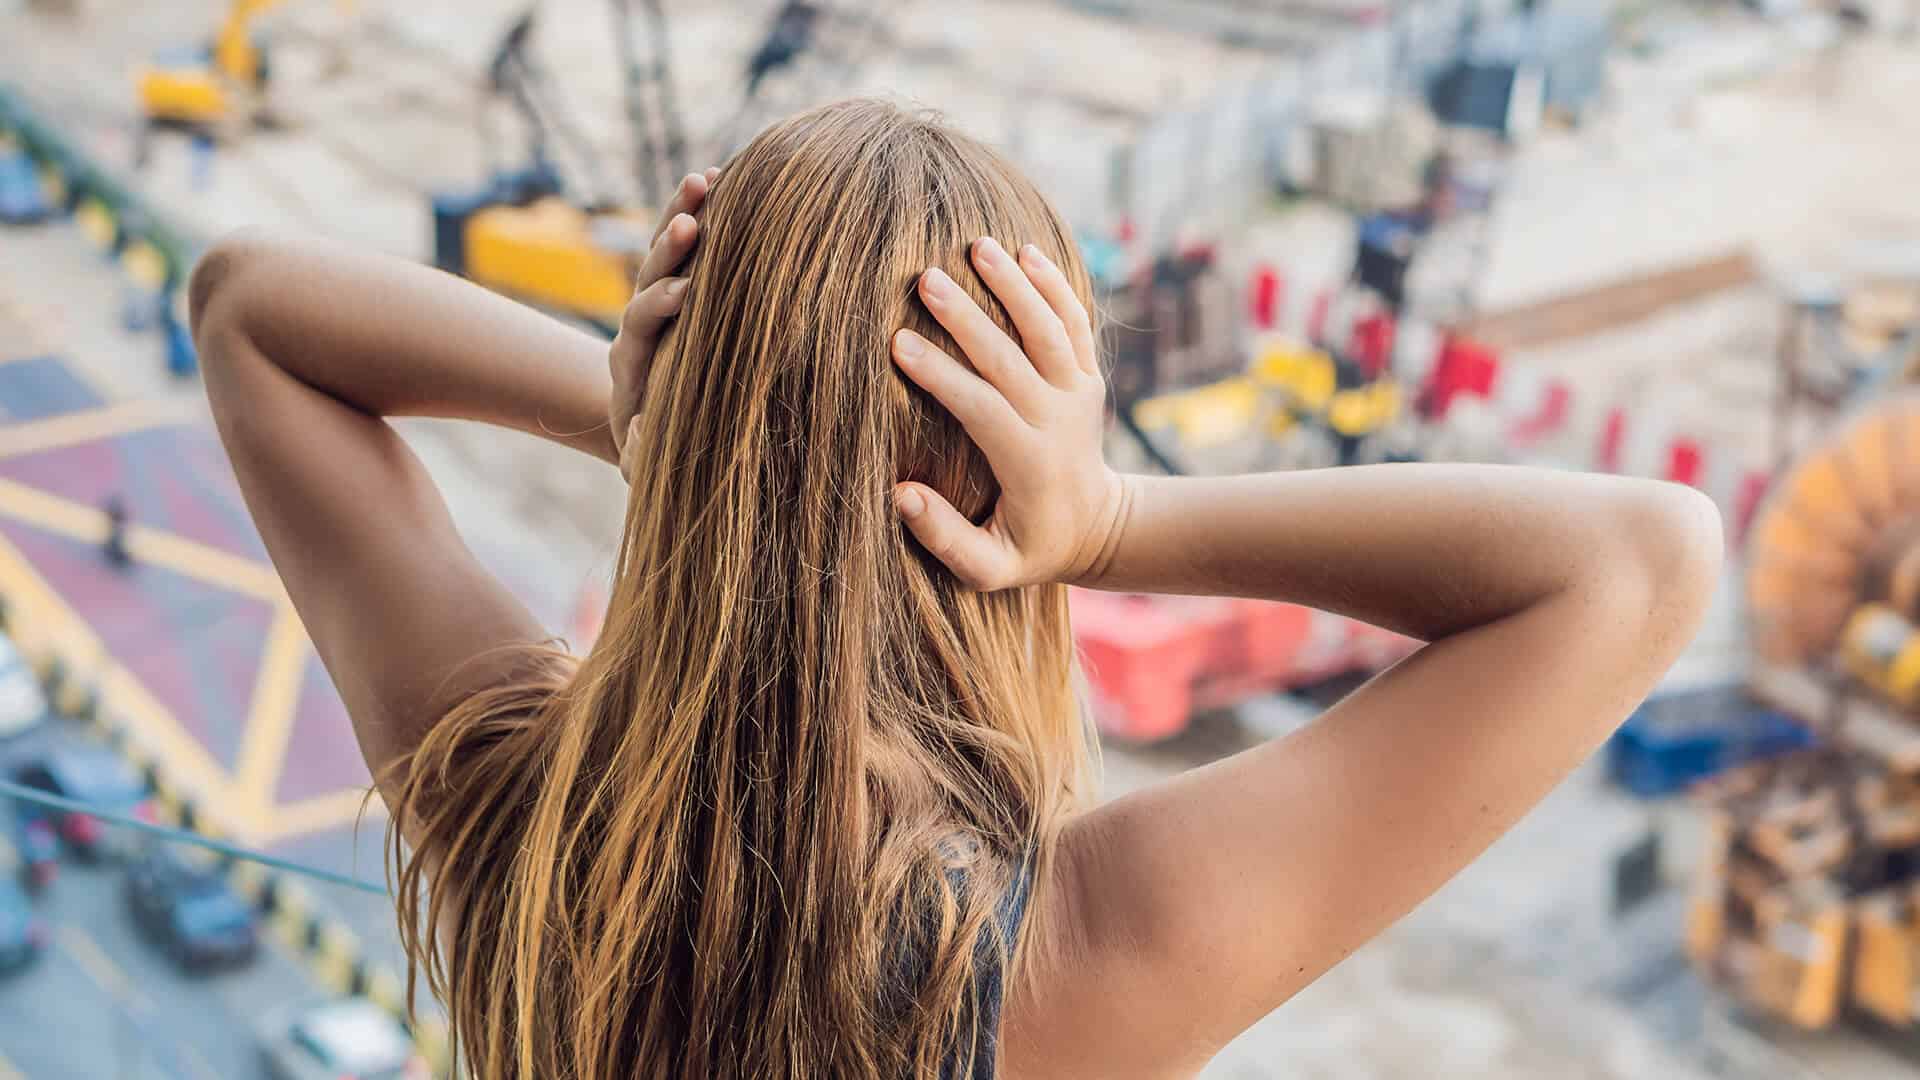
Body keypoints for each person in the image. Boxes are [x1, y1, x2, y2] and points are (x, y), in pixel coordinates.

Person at [188, 99, 1721, 1079]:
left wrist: (689, 437)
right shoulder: (1071, 966)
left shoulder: (516, 813)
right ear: (1008, 486)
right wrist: (1112, 523)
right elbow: (1640, 560)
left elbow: (252, 308)